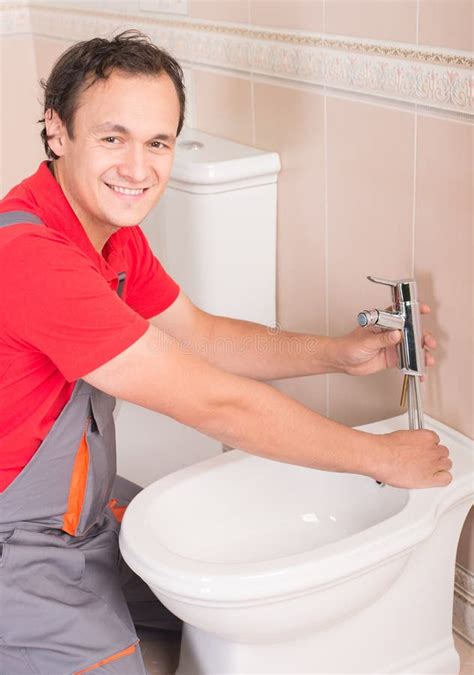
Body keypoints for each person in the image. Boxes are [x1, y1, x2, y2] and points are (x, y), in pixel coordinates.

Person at [0, 30, 452, 675]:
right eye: (112, 138)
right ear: (56, 132)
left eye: (157, 142)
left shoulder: (106, 232)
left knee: (213, 588)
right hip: (16, 541)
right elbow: (215, 404)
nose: (137, 168)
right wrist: (380, 457)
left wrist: (338, 355)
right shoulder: (33, 257)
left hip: (85, 512)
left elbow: (202, 334)